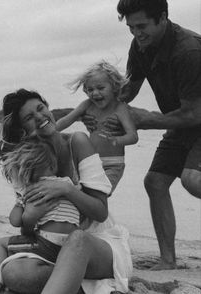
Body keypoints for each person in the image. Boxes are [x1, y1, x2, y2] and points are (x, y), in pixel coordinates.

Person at [0, 89, 133, 294]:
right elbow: (29, 229)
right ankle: (70, 284)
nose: (40, 117)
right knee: (15, 273)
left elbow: (100, 212)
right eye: (29, 117)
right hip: (51, 248)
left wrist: (66, 189)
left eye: (41, 108)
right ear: (22, 129)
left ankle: (67, 283)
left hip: (96, 245)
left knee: (78, 238)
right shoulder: (26, 161)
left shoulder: (78, 142)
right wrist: (30, 218)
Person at [83, 0, 201, 270]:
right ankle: (168, 260)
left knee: (193, 179)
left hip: (194, 117)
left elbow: (195, 114)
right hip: (179, 123)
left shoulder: (189, 51)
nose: (137, 33)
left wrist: (146, 120)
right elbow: (127, 91)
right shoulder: (140, 46)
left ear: (162, 17)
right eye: (131, 27)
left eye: (142, 26)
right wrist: (101, 109)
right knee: (155, 183)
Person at [0, 136, 81, 294]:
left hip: (48, 244)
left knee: (1, 243)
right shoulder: (66, 184)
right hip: (72, 245)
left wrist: (19, 203)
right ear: (53, 164)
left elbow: (15, 221)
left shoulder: (30, 190)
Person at [57, 60, 138, 192]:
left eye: (100, 88)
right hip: (90, 162)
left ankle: (97, 210)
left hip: (113, 164)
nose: (94, 93)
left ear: (114, 87)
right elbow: (66, 120)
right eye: (90, 89)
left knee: (100, 192)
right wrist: (50, 131)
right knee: (86, 193)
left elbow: (133, 136)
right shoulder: (87, 105)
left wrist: (117, 140)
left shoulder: (120, 108)